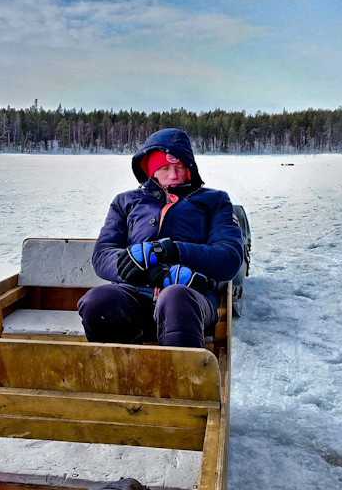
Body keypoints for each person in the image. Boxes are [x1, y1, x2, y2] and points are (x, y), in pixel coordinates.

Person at [78, 128, 244, 348]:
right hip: (134, 295)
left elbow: (229, 258)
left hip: (191, 298)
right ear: (149, 169)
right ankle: (119, 377)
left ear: (190, 167)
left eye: (179, 166)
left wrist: (173, 251)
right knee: (98, 301)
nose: (174, 175)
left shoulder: (215, 201)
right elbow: (102, 254)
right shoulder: (126, 202)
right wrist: (150, 271)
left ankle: (182, 380)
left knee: (175, 297)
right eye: (165, 168)